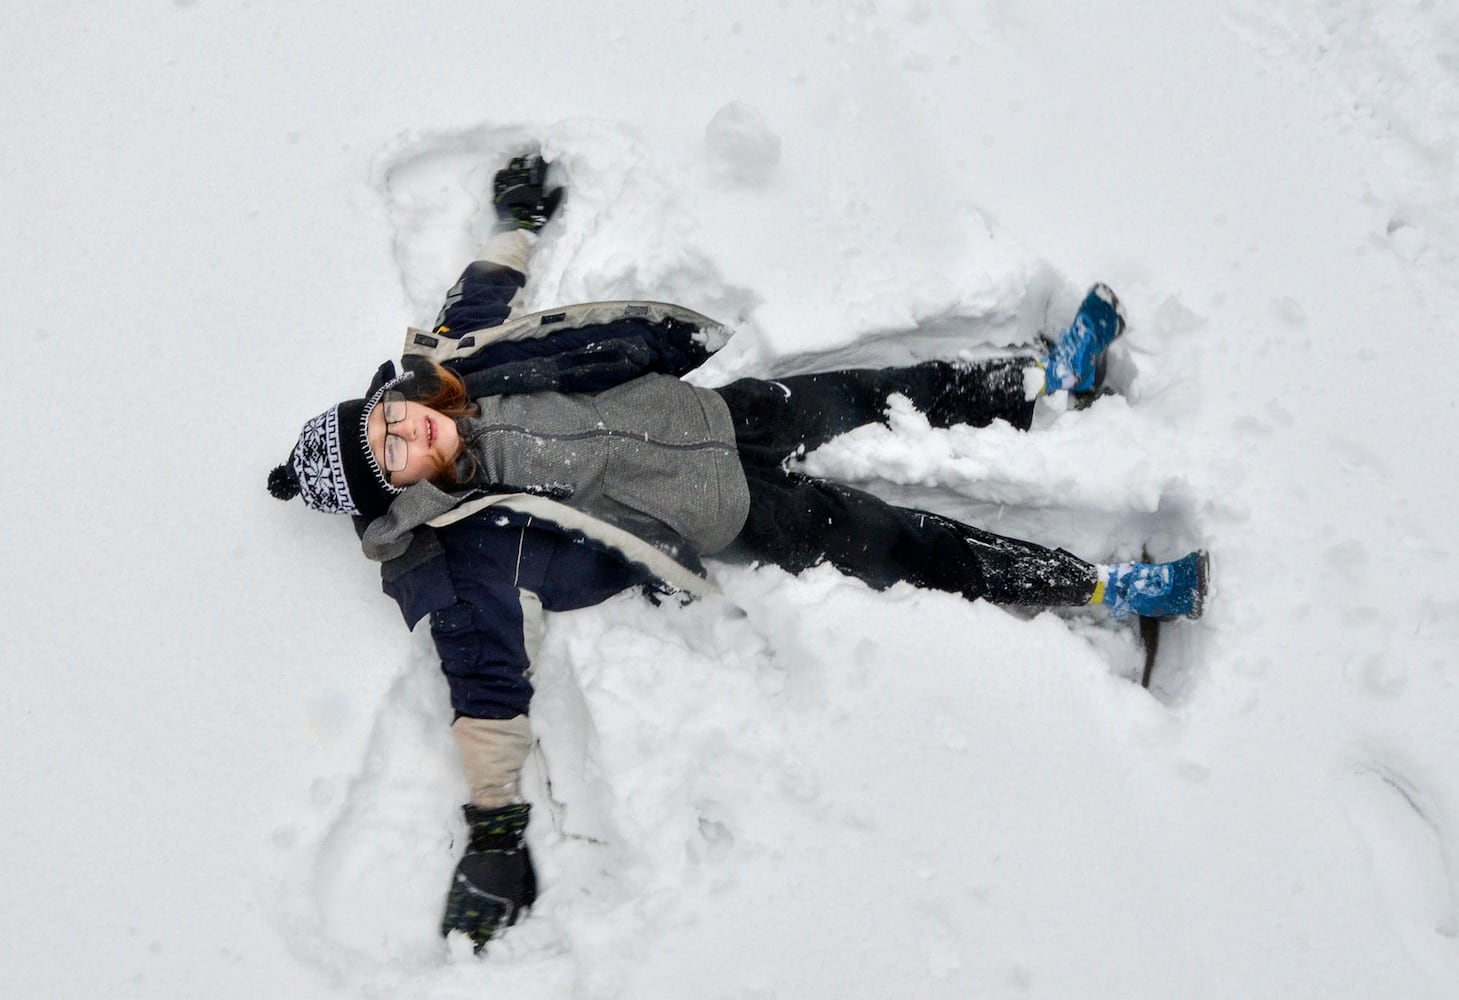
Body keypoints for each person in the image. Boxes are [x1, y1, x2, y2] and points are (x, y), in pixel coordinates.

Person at [267, 154, 1207, 951]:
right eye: (391, 453)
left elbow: (484, 294)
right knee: (914, 547)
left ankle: (1046, 378)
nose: (410, 433)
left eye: (392, 419)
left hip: (718, 410)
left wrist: (515, 217)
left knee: (884, 389)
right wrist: (497, 829)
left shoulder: (444, 371)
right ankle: (1104, 587)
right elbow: (481, 691)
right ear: (391, 489)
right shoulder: (450, 560)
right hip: (734, 508)